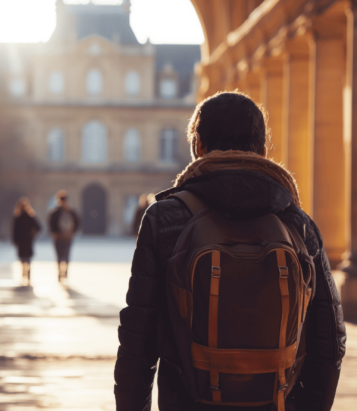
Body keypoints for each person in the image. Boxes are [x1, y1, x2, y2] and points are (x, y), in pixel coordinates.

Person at [114, 91, 346, 411]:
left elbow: (137, 340)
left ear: (198, 147)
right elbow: (330, 340)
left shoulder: (166, 218)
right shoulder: (296, 222)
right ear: (263, 151)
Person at [48, 190, 79, 282]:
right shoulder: (71, 211)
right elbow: (77, 222)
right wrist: (72, 232)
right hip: (67, 237)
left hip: (58, 237)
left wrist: (54, 232)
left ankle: (61, 271)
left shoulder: (55, 212)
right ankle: (64, 271)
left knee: (60, 255)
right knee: (65, 254)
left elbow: (51, 224)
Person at [12, 197, 41, 286]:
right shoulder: (30, 217)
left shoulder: (18, 218)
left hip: (21, 241)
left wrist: (15, 240)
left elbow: (14, 231)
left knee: (22, 258)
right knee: (28, 258)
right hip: (28, 240)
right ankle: (27, 274)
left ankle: (24, 273)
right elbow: (39, 227)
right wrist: (33, 234)